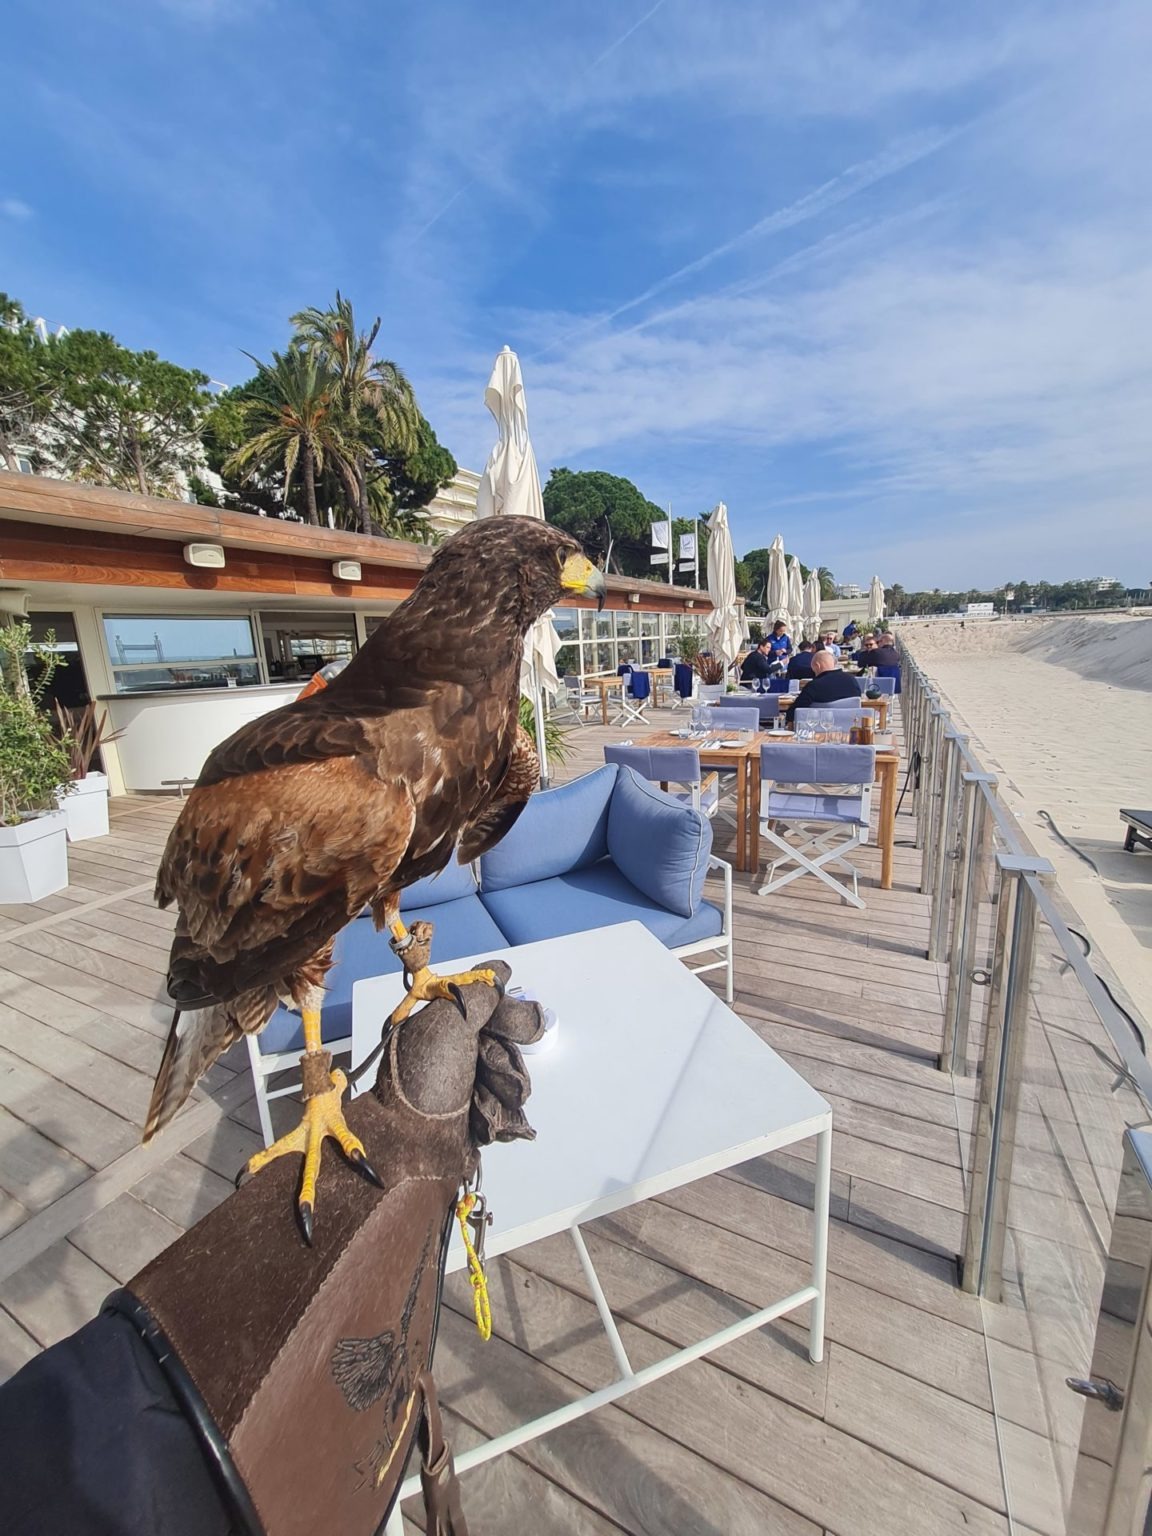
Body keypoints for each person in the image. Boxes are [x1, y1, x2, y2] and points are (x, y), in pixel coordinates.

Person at [782, 651, 862, 720]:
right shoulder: (852, 680)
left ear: (817, 666)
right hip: (850, 730)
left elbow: (794, 712)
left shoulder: (814, 686)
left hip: (819, 730)